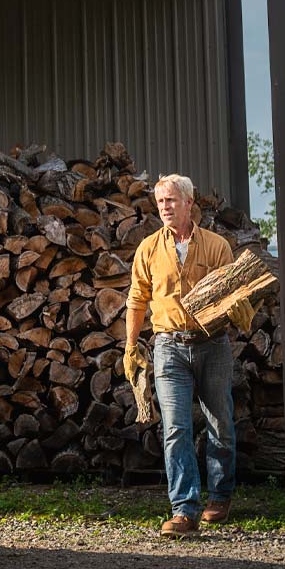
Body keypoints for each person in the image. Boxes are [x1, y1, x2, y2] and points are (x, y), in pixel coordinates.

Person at [121, 173, 251, 538]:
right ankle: (184, 509)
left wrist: (240, 305)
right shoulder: (148, 249)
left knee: (220, 422)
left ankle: (220, 496)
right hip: (168, 346)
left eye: (171, 200)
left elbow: (231, 292)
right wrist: (130, 345)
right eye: (160, 201)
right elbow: (137, 300)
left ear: (189, 203)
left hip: (212, 343)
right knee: (175, 428)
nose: (164, 207)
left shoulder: (216, 246)